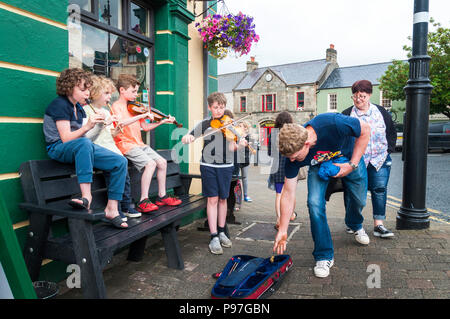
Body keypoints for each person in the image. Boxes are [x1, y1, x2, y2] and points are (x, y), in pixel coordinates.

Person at [273, 113, 371, 278]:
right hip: (319, 164)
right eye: (289, 158)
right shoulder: (291, 158)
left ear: (306, 144)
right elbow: (288, 194)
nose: (292, 161)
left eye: (295, 157)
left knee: (359, 199)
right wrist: (283, 229)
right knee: (314, 204)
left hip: (349, 157)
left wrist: (352, 164)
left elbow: (366, 130)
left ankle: (354, 224)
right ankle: (324, 255)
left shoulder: (332, 123)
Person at [43, 68, 128, 229]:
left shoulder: (79, 108)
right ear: (69, 88)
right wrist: (88, 125)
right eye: (83, 89)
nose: (87, 93)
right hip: (58, 148)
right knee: (84, 144)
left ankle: (112, 208)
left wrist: (100, 126)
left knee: (120, 161)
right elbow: (66, 138)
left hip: (80, 147)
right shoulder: (59, 105)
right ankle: (86, 197)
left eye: (88, 89)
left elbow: (87, 139)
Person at [182, 92, 247, 255]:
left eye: (222, 107)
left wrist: (240, 145)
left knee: (223, 199)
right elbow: (188, 136)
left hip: (226, 166)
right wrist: (187, 138)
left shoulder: (230, 124)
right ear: (210, 107)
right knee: (212, 199)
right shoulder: (205, 124)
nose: (219, 111)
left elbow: (232, 148)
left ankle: (222, 231)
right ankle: (213, 236)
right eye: (216, 107)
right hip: (208, 165)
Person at [111, 74, 182, 213]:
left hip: (139, 143)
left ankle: (162, 196)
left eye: (137, 91)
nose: (136, 94)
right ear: (122, 90)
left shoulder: (134, 107)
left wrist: (161, 121)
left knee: (162, 162)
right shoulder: (116, 106)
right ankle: (143, 200)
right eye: (133, 91)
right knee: (150, 164)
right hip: (125, 143)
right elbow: (120, 123)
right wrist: (142, 115)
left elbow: (146, 127)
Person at [342, 80, 396, 238]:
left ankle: (379, 225)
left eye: (362, 96)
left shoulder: (381, 112)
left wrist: (388, 150)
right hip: (356, 161)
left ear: (370, 95)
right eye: (355, 96)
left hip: (380, 159)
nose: (358, 99)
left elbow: (391, 132)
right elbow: (342, 137)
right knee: (352, 192)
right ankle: (353, 224)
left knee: (379, 190)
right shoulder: (347, 114)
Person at [83, 75, 142, 221]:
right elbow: (89, 137)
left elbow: (110, 135)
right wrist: (103, 123)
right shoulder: (87, 110)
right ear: (95, 93)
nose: (110, 97)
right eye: (107, 93)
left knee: (125, 178)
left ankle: (125, 205)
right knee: (115, 177)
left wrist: (116, 129)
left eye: (111, 93)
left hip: (112, 149)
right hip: (100, 150)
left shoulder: (107, 111)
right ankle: (117, 207)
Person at [267, 111, 297, 230]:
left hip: (277, 168)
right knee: (291, 193)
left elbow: (270, 153)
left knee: (279, 194)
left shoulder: (272, 134)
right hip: (290, 166)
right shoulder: (292, 133)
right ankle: (291, 215)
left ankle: (279, 218)